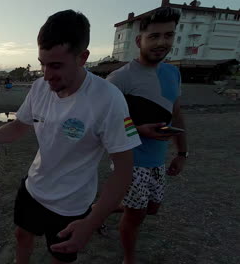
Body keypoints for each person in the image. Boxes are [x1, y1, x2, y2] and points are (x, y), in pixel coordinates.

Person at [0, 10, 141, 264]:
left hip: (71, 203)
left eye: (56, 65)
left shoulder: (108, 99)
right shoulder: (40, 88)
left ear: (82, 58)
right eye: (42, 64)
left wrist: (91, 222)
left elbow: (124, 170)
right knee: (21, 234)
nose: (47, 74)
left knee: (59, 257)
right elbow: (18, 127)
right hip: (33, 187)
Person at [106, 7, 188, 264]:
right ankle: (129, 259)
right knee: (135, 217)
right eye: (154, 36)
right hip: (131, 160)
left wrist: (182, 152)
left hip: (158, 160)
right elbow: (103, 124)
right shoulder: (119, 79)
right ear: (139, 40)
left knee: (151, 209)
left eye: (168, 35)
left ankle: (106, 208)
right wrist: (138, 130)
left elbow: (176, 113)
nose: (162, 42)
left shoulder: (173, 73)